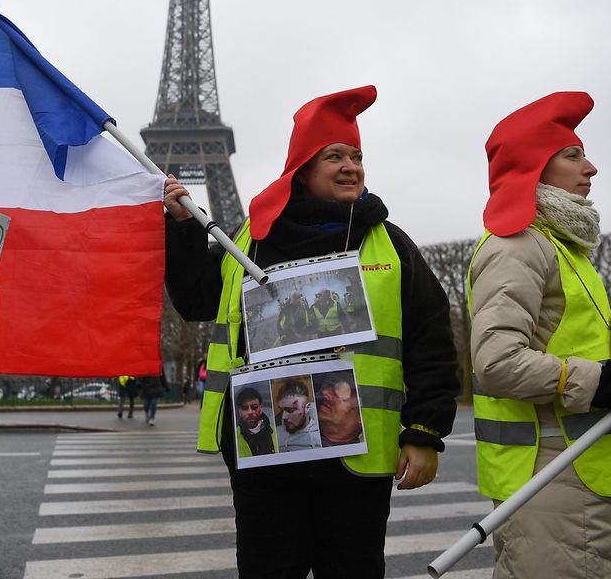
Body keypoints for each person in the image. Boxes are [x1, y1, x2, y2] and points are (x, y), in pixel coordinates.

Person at [164, 85, 459, 578]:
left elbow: (431, 339)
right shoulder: (250, 240)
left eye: (358, 156)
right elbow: (197, 300)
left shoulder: (391, 244)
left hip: (354, 455)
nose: (352, 166)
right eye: (335, 156)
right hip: (266, 452)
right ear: (302, 168)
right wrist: (182, 227)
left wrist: (425, 431)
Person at [468, 91, 611, 578]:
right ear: (536, 169)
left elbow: (579, 357)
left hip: (579, 476)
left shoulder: (559, 246)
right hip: (556, 479)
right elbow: (496, 362)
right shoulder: (519, 246)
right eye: (573, 156)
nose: (591, 167)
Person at [274, 379, 319, 452]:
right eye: (282, 410)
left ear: (307, 408)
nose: (283, 417)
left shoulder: (321, 435)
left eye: (290, 410)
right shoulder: (275, 435)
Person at [234, 386, 277, 456]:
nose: (250, 412)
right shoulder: (234, 436)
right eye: (245, 408)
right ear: (239, 412)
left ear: (261, 408)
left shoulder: (275, 431)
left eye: (254, 407)